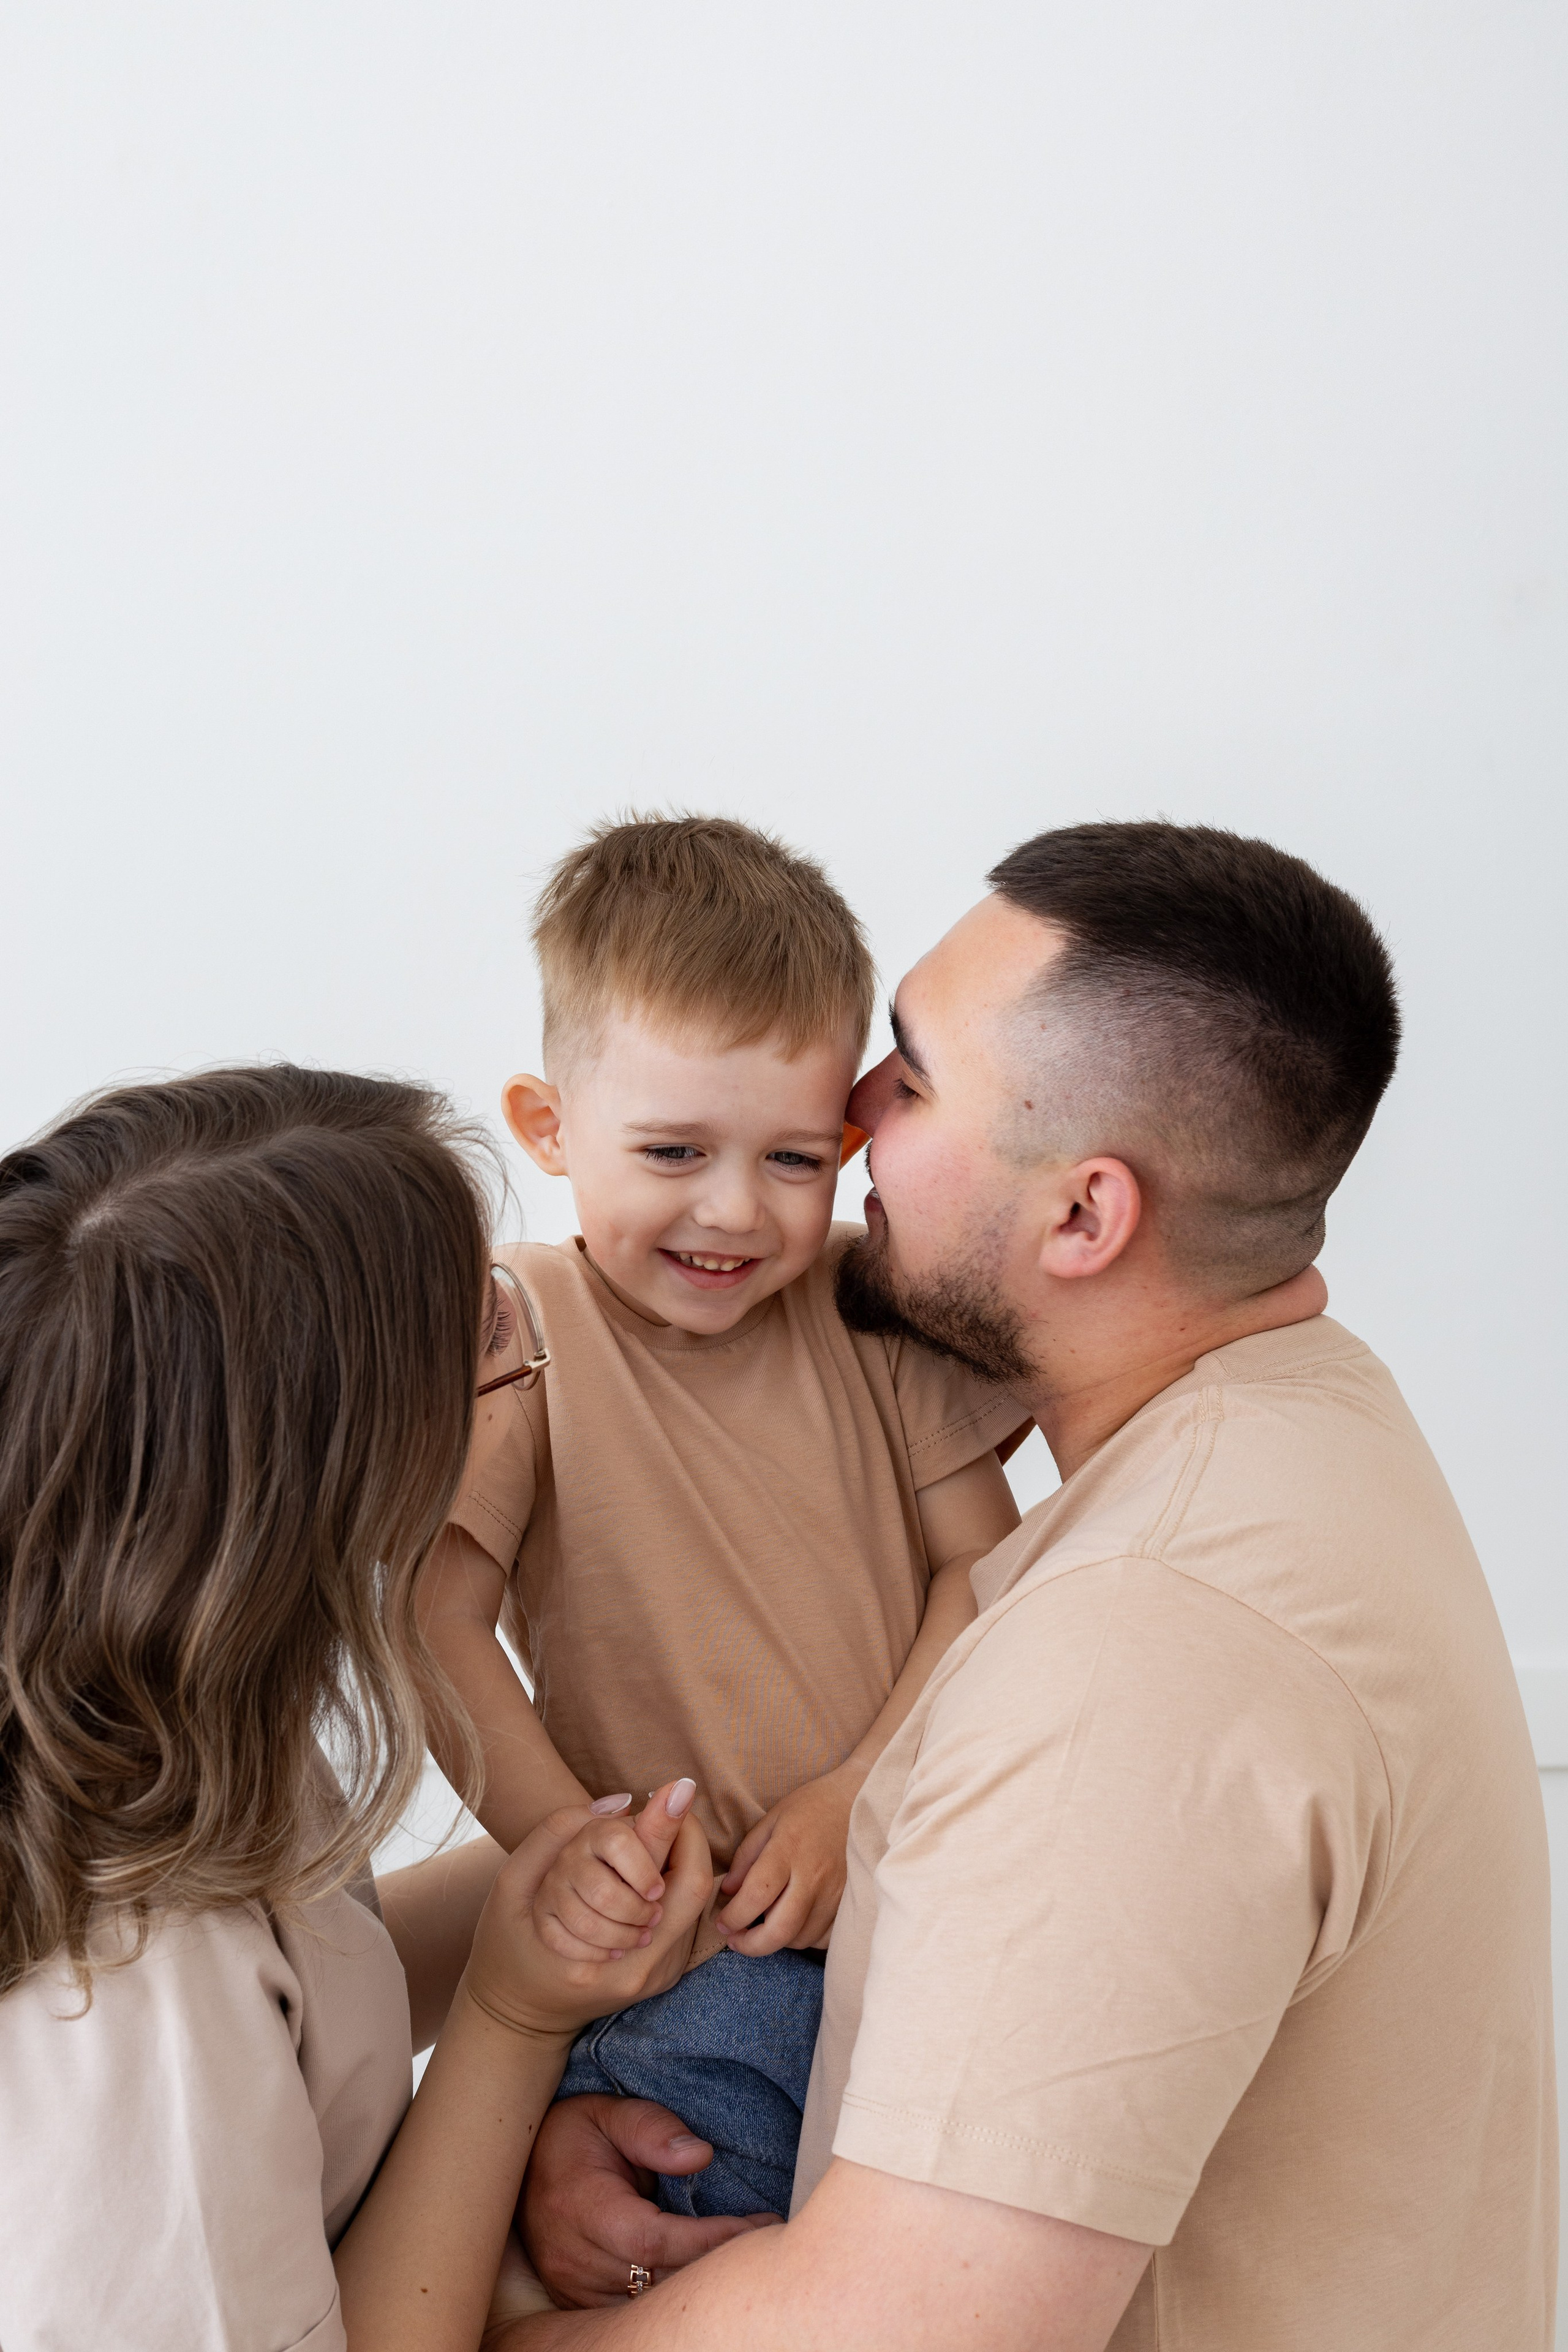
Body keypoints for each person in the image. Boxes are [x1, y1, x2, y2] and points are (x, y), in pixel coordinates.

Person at [500, 822, 1555, 2347]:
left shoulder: (1144, 1654)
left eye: (910, 1079)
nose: (848, 1115)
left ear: (1082, 1216)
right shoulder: (1303, 1423)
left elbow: (907, 2331)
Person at [0, 1065, 720, 2352]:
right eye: (484, 1348)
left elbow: (312, 1979)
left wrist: (558, 1878)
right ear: (334, 1482)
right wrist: (510, 2012)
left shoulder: (152, 1706)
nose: (511, 1374)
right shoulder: (136, 2002)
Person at [415, 816, 1027, 2221]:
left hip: (914, 1899)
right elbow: (427, 1616)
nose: (734, 1211)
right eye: (675, 1150)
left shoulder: (871, 1309)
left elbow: (984, 1568)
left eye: (796, 1163)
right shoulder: (521, 1328)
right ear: (549, 1128)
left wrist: (853, 1790)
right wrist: (567, 1845)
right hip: (686, 1958)